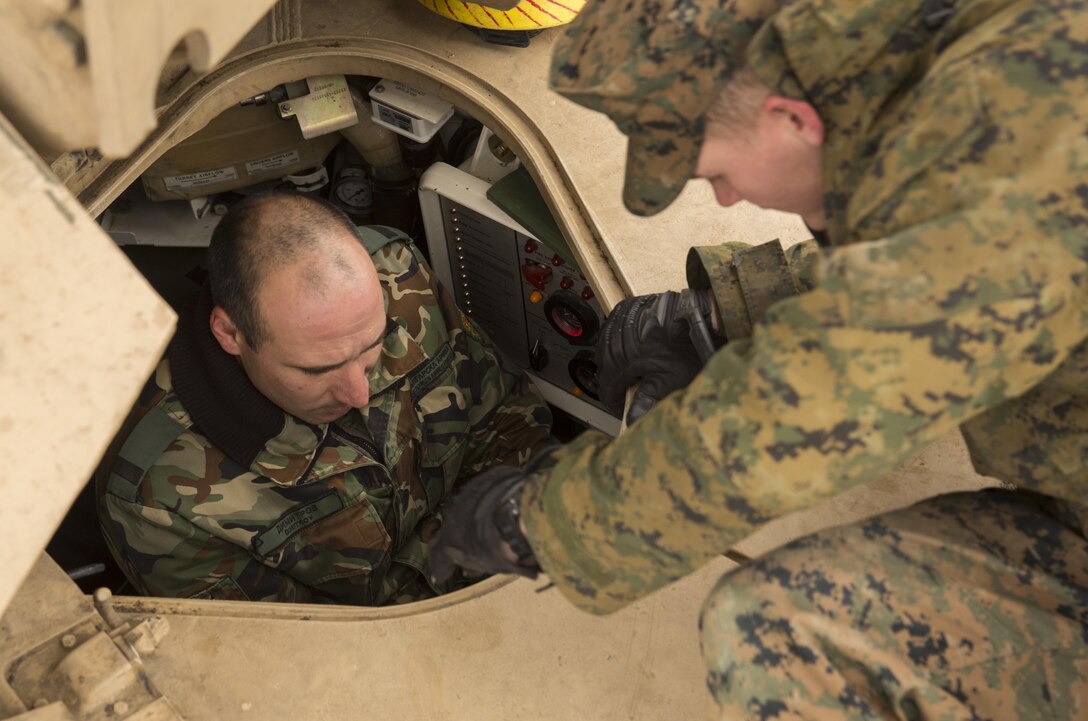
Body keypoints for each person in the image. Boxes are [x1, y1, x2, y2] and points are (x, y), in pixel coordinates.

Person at [430, 0, 1088, 717]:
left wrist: (535, 521)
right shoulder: (986, 64)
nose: (725, 195)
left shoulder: (1026, 152)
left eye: (717, 172)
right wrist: (725, 310)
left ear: (794, 119)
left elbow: (798, 419)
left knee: (768, 631)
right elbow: (930, 254)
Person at [98, 191, 552, 605]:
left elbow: (507, 416)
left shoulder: (396, 272)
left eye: (374, 345)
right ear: (231, 334)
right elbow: (313, 661)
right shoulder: (157, 504)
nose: (358, 393)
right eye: (317, 369)